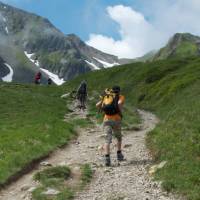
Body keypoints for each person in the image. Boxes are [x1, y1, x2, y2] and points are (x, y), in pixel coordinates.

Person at [96, 86, 125, 166]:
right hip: (116, 120)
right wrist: (119, 111)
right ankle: (119, 155)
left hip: (106, 120)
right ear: (119, 91)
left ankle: (107, 159)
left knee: (107, 140)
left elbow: (97, 105)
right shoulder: (120, 96)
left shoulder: (107, 97)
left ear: (112, 91)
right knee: (118, 137)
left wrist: (104, 106)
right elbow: (119, 103)